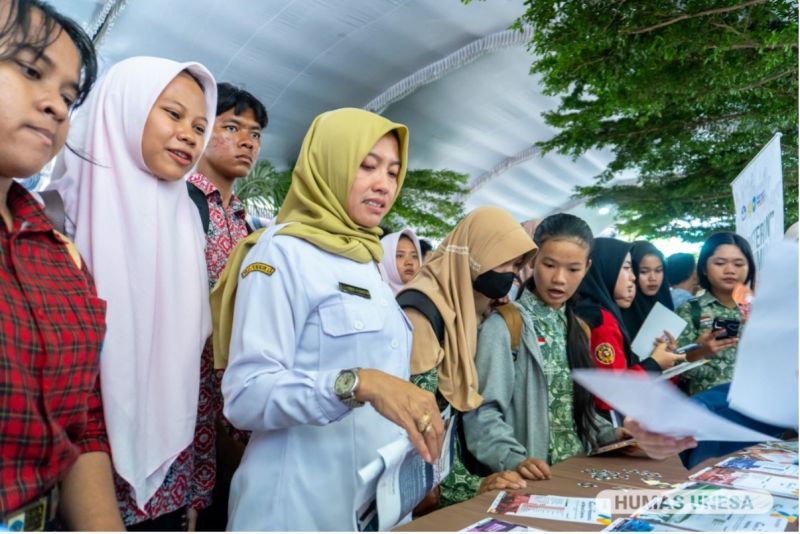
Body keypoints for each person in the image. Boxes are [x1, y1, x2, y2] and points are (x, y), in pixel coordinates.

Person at [219, 108, 443, 531]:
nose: (384, 184)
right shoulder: (281, 253)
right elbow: (246, 395)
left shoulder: (366, 258)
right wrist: (358, 383)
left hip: (371, 506)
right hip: (295, 505)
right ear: (329, 163)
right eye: (367, 166)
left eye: (394, 172)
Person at [49, 56, 217, 529]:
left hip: (171, 479)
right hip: (73, 476)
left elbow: (191, 368)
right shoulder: (57, 215)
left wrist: (192, 490)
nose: (190, 134)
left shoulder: (187, 220)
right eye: (173, 114)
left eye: (200, 125)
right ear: (123, 108)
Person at [0, 0, 123, 529]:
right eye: (30, 70)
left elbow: (81, 423)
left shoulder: (56, 252)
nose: (55, 105)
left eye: (70, 96)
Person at [464, 214, 620, 480]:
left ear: (587, 267)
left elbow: (577, 409)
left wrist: (610, 434)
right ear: (533, 260)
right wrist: (514, 458)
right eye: (549, 265)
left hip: (577, 472)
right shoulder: (506, 325)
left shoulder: (578, 328)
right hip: (531, 479)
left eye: (573, 269)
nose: (559, 279)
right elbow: (482, 413)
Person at [402, 206, 537, 507]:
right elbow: (418, 423)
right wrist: (470, 487)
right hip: (427, 489)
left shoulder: (470, 306)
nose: (512, 276)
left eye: (517, 267)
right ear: (479, 253)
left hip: (453, 471)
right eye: (507, 263)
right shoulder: (422, 313)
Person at [185, 81, 268, 531]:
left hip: (233, 402)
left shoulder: (246, 221)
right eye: (231, 127)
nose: (246, 141)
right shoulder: (183, 203)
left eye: (254, 134)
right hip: (188, 401)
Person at [575, 238, 682, 415]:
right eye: (626, 268)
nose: (633, 277)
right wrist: (654, 363)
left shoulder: (589, 311)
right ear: (605, 268)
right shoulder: (601, 320)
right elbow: (611, 392)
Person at [676, 232, 756, 396]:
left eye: (739, 264)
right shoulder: (690, 310)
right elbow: (673, 366)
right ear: (704, 268)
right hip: (708, 408)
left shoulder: (761, 309)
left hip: (756, 404)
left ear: (749, 268)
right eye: (720, 263)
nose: (730, 270)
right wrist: (700, 351)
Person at [621, 241, 674, 340]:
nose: (653, 278)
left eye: (658, 270)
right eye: (644, 272)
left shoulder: (665, 303)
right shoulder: (622, 308)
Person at [379, 227, 422, 294]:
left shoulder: (427, 297)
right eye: (400, 256)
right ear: (385, 259)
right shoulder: (372, 296)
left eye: (414, 256)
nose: (409, 262)